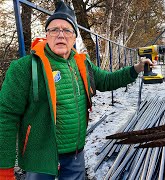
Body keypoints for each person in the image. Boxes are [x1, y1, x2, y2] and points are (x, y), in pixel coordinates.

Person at [0, 1, 153, 180]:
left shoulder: (82, 63)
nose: (60, 35)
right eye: (54, 29)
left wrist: (136, 68)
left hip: (74, 154)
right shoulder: (25, 68)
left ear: (74, 37)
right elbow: (6, 117)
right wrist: (4, 169)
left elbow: (107, 80)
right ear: (46, 35)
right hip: (41, 157)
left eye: (67, 30)